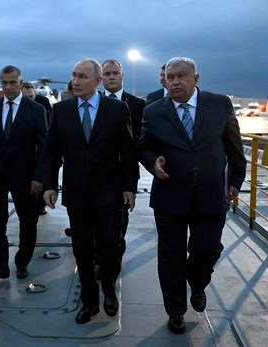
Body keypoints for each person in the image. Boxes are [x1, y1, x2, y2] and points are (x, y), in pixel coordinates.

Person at [138, 57, 246, 334]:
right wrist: (153, 163)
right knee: (170, 257)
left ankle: (197, 283)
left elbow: (234, 147)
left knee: (207, 250)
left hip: (211, 194)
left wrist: (236, 181)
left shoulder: (219, 104)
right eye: (170, 77)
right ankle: (175, 311)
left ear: (195, 79)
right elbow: (144, 147)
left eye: (182, 76)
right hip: (170, 195)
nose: (176, 82)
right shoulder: (153, 112)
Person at [42, 58, 138, 324]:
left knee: (109, 245)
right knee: (82, 250)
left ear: (97, 81)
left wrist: (130, 187)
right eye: (73, 76)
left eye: (82, 77)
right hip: (77, 193)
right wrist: (49, 184)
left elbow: (128, 151)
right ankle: (89, 300)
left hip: (110, 191)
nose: (75, 81)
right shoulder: (61, 110)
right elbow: (51, 152)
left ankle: (109, 289)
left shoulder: (117, 110)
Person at [0, 65, 47, 284]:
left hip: (25, 177)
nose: (8, 87)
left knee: (27, 221)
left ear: (21, 83)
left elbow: (43, 147)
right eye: (4, 82)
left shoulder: (35, 110)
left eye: (12, 82)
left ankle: (22, 261)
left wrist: (39, 177)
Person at [101, 59, 145, 270]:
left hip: (124, 174)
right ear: (101, 77)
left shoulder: (137, 105)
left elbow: (140, 142)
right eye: (107, 73)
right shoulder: (92, 102)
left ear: (122, 75)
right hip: (97, 174)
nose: (111, 77)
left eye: (115, 73)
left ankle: (114, 258)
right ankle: (100, 258)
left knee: (119, 222)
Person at [22, 81, 51, 215]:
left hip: (41, 143)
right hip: (26, 148)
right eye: (26, 96)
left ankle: (42, 204)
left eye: (31, 96)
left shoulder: (42, 104)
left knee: (41, 175)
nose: (29, 99)